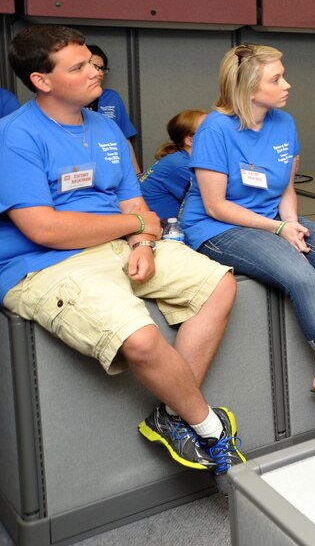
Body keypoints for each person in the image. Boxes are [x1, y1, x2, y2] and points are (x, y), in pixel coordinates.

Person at [1, 25, 244, 477]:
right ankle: (210, 429)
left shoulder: (105, 126)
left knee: (218, 283)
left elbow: (135, 200)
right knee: (141, 336)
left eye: (92, 63)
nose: (95, 71)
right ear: (42, 81)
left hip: (119, 244)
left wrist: (144, 242)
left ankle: (170, 417)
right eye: (79, 67)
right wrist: (136, 225)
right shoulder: (14, 136)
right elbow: (45, 228)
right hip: (41, 264)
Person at [183, 44, 315, 422]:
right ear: (247, 88)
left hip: (273, 217)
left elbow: (285, 187)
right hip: (219, 226)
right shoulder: (215, 128)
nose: (287, 84)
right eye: (276, 79)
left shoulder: (284, 123)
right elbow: (215, 205)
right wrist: (279, 228)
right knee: (302, 275)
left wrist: (290, 223)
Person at [139, 109, 206, 223]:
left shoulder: (179, 158)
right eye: (209, 130)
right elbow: (216, 199)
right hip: (160, 227)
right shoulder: (181, 165)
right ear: (190, 140)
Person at [87, 44, 141, 172]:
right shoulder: (68, 99)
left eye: (102, 68)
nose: (99, 73)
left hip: (112, 166)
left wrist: (138, 175)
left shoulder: (111, 97)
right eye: (95, 67)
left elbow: (125, 140)